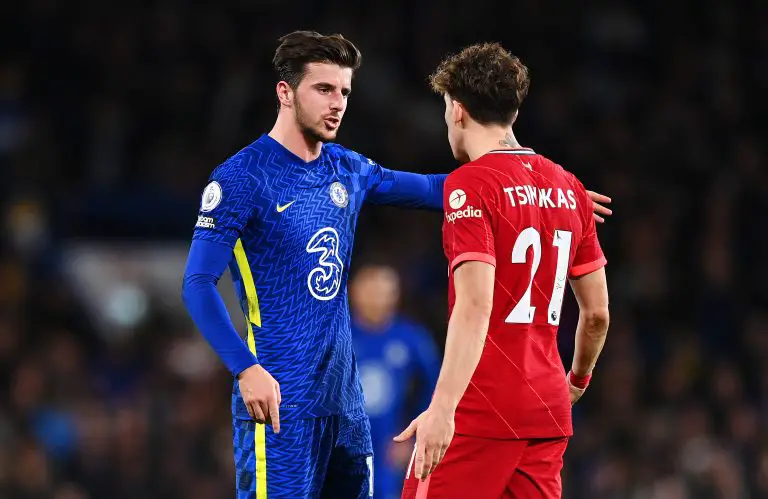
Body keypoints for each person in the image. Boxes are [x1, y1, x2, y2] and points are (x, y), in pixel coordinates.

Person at [181, 31, 611, 499]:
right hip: (281, 395)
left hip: (346, 405)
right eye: (323, 89)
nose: (338, 103)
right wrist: (245, 369)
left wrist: (537, 193)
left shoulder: (347, 168)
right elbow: (197, 283)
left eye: (344, 91)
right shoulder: (241, 178)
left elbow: (435, 189)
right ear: (284, 92)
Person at [397, 43, 611, 499]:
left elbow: (475, 306)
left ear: (457, 110)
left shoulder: (469, 186)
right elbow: (597, 315)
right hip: (547, 410)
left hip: (480, 410)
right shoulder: (570, 187)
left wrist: (442, 408)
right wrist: (578, 379)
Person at [350, 263, 440, 499]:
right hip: (343, 444)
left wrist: (414, 435)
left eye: (385, 291)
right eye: (371, 289)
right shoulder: (339, 334)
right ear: (354, 290)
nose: (378, 298)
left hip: (388, 444)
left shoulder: (410, 337)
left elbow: (437, 387)